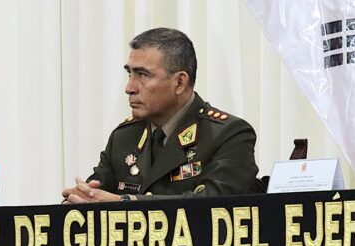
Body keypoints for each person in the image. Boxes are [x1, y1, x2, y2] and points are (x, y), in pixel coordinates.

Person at [62, 28, 258, 203]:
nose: (129, 88)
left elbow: (211, 205)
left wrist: (126, 203)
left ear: (180, 82)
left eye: (143, 75)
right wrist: (78, 199)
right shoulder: (124, 137)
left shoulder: (228, 135)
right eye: (130, 74)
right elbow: (95, 194)